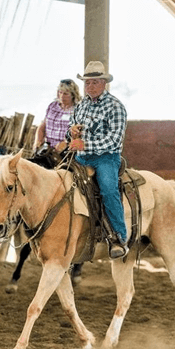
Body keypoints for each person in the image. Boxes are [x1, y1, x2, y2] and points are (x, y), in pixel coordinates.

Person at [67, 61, 129, 258]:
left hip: (106, 158)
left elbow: (114, 140)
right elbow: (72, 129)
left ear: (103, 83)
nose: (90, 87)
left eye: (94, 83)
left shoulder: (116, 107)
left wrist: (85, 145)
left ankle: (118, 238)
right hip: (81, 158)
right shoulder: (81, 105)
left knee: (108, 189)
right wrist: (72, 132)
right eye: (87, 83)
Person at [33, 79, 82, 153]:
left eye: (66, 94)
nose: (62, 96)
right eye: (60, 92)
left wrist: (65, 144)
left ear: (73, 95)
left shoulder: (78, 110)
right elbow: (42, 126)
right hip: (48, 148)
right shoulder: (52, 106)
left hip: (66, 150)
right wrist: (37, 142)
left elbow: (80, 134)